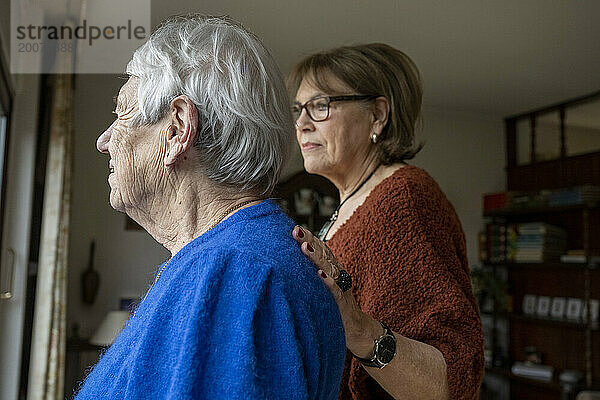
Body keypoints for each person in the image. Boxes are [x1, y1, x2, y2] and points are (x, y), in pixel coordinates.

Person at [75, 15, 346, 400]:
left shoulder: (233, 272)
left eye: (122, 113)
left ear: (177, 129)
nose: (104, 141)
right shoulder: (224, 262)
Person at [288, 43, 484, 399]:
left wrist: (358, 328)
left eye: (320, 106)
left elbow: (451, 380)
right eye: (299, 109)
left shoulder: (404, 197)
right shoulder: (347, 206)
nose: (301, 123)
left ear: (377, 114)